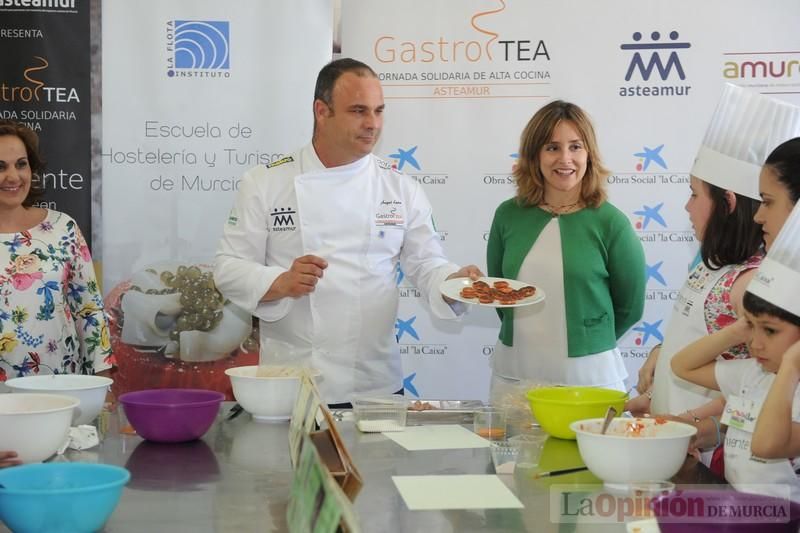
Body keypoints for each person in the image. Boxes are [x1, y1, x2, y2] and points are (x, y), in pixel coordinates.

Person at [213, 58, 481, 404]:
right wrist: (279, 282)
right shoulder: (266, 182)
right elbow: (228, 267)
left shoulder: (400, 187)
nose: (373, 124)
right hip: (292, 382)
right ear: (321, 111)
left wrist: (453, 284)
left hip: (375, 384)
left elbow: (426, 263)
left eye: (379, 111)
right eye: (358, 111)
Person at [639, 85, 799, 417]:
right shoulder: (710, 263)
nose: (687, 205)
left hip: (718, 451)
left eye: (695, 194)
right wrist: (661, 352)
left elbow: (754, 387)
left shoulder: (754, 281)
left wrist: (690, 424)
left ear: (727, 203)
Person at [486, 100, 645, 398]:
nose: (565, 158)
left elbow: (630, 306)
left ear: (589, 153)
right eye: (552, 147)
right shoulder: (508, 215)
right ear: (535, 155)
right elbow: (499, 294)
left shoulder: (612, 223)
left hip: (588, 380)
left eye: (575, 146)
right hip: (514, 378)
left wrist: (589, 339)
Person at [0, 120, 113, 466]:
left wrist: (101, 385)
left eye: (21, 164)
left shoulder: (62, 228)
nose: (13, 177)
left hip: (63, 403)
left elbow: (89, 309)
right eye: (0, 167)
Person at [672, 201, 800, 502]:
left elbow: (766, 445)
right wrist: (739, 329)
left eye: (769, 330)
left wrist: (792, 367)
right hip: (740, 511)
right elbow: (682, 366)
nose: (754, 343)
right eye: (752, 328)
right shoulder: (752, 374)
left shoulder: (786, 385)